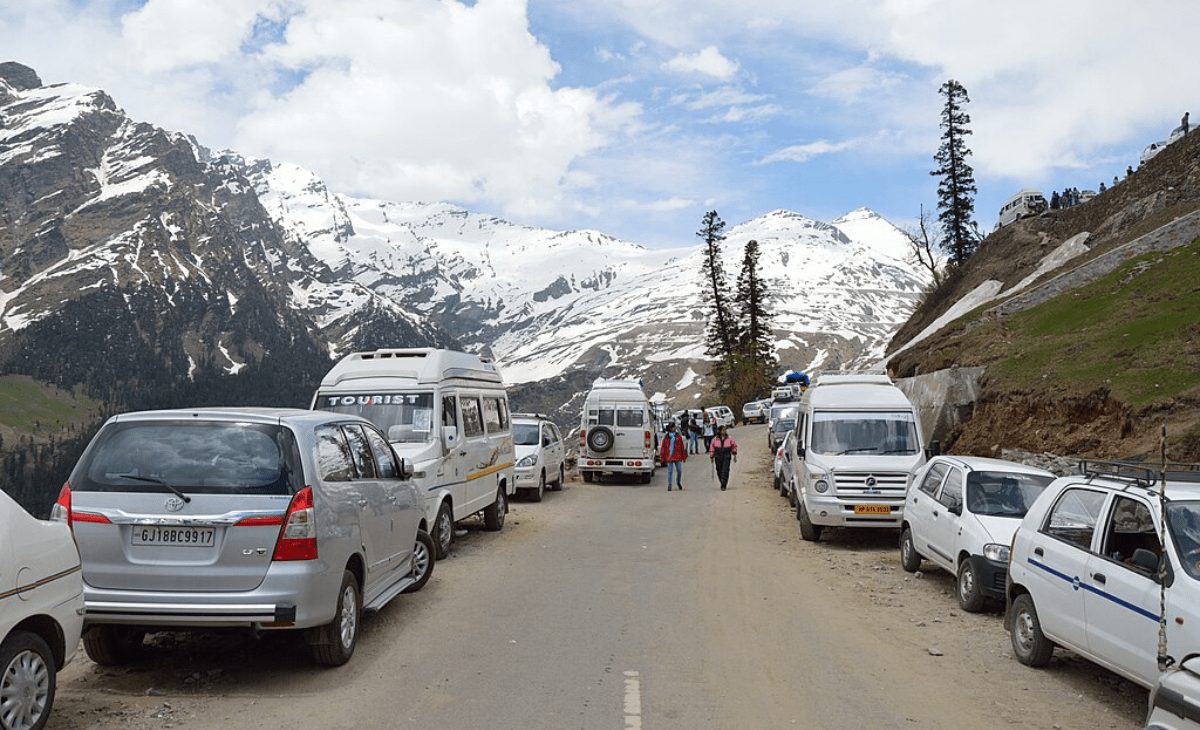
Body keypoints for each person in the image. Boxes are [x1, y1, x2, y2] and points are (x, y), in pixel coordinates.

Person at [708, 425, 738, 491]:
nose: (725, 431)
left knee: (725, 469)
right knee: (719, 470)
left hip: (726, 455)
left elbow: (734, 445)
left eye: (725, 430)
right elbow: (712, 448)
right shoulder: (715, 439)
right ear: (720, 431)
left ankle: (724, 484)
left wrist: (734, 451)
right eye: (723, 430)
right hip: (718, 456)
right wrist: (711, 455)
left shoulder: (730, 438)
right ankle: (721, 481)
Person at [659, 422, 687, 491]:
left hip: (678, 456)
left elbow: (682, 447)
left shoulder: (678, 437)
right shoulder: (666, 438)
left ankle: (678, 482)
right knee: (670, 472)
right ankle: (669, 485)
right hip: (669, 456)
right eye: (673, 427)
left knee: (679, 471)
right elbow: (663, 448)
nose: (674, 428)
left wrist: (684, 456)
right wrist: (661, 457)